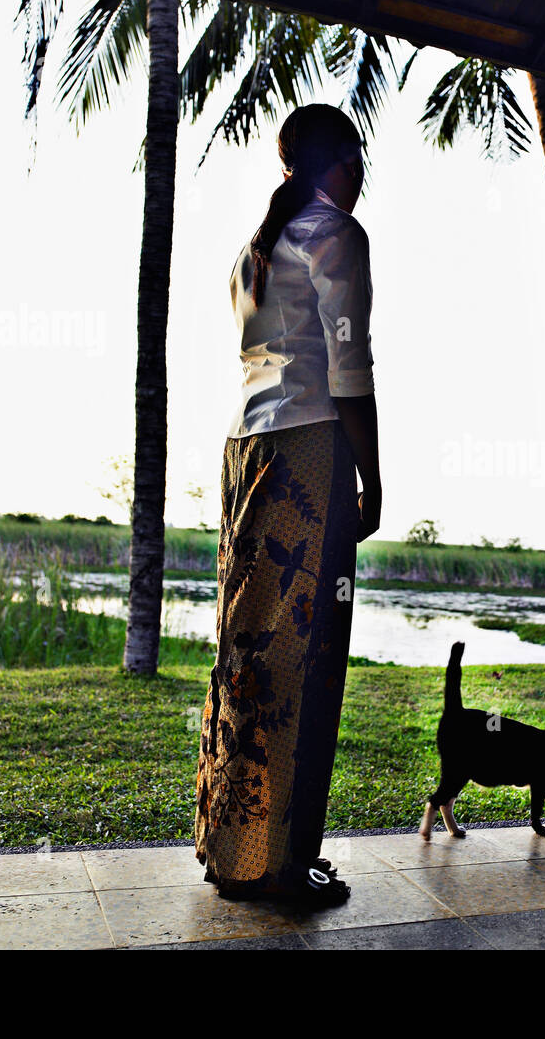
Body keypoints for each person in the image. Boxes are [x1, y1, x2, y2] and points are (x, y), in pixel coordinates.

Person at [194, 104, 381, 906]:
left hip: (246, 450)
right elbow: (350, 372)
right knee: (307, 663)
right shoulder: (337, 233)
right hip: (309, 451)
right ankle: (285, 863)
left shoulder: (255, 249)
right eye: (359, 156)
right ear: (341, 161)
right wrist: (375, 478)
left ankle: (235, 848)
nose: (362, 173)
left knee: (248, 656)